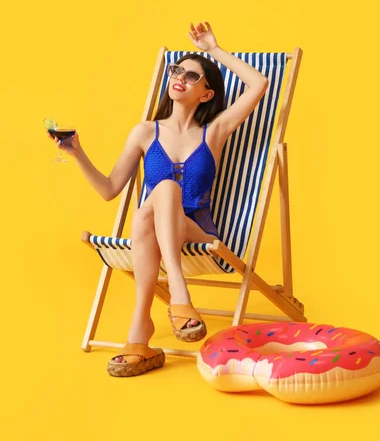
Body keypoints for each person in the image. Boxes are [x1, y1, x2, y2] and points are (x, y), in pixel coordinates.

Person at [48, 21, 269, 377]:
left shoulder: (214, 131)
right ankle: (143, 326)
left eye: (192, 76)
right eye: (177, 69)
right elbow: (109, 190)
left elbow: (259, 84)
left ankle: (171, 301)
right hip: (151, 228)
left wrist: (212, 49)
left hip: (198, 231)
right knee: (143, 215)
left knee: (163, 190)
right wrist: (77, 153)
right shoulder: (145, 132)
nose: (180, 76)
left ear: (207, 95)